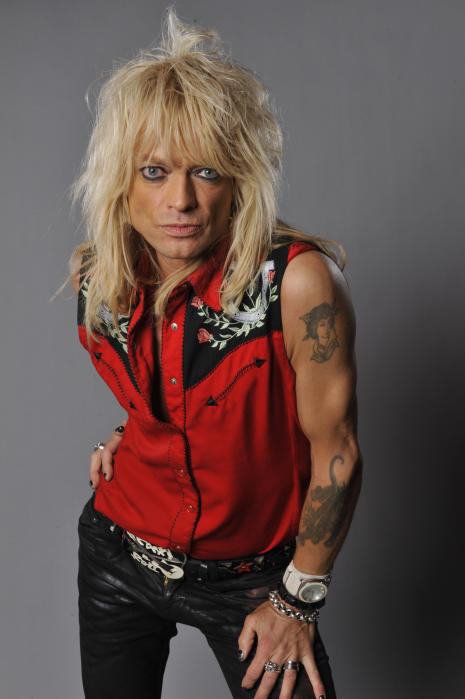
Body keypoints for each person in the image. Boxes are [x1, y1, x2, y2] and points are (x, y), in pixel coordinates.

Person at [70, 9, 362, 699]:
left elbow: (338, 451)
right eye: (153, 171)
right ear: (121, 180)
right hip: (117, 556)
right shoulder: (97, 275)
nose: (181, 200)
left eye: (206, 171)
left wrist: (298, 598)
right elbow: (164, 396)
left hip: (250, 580)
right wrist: (129, 434)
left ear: (239, 178)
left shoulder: (298, 283)